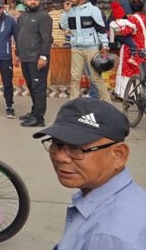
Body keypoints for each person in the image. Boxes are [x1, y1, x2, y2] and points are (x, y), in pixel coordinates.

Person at [33, 98, 145, 250]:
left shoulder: (109, 237)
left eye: (76, 148)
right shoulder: (126, 199)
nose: (60, 157)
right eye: (57, 143)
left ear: (118, 155)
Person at [60, 0, 109, 99]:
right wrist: (65, 12)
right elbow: (63, 27)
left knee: (96, 77)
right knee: (75, 78)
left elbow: (101, 29)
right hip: (76, 48)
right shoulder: (70, 11)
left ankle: (107, 103)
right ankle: (73, 103)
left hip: (92, 48)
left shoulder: (93, 10)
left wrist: (105, 46)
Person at [16, 0, 53, 127]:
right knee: (32, 87)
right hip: (25, 58)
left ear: (40, 1)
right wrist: (18, 54)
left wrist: (43, 57)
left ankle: (39, 119)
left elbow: (47, 39)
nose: (33, 2)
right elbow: (19, 36)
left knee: (38, 88)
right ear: (25, 1)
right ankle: (34, 112)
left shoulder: (44, 17)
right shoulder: (23, 17)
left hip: (37, 59)